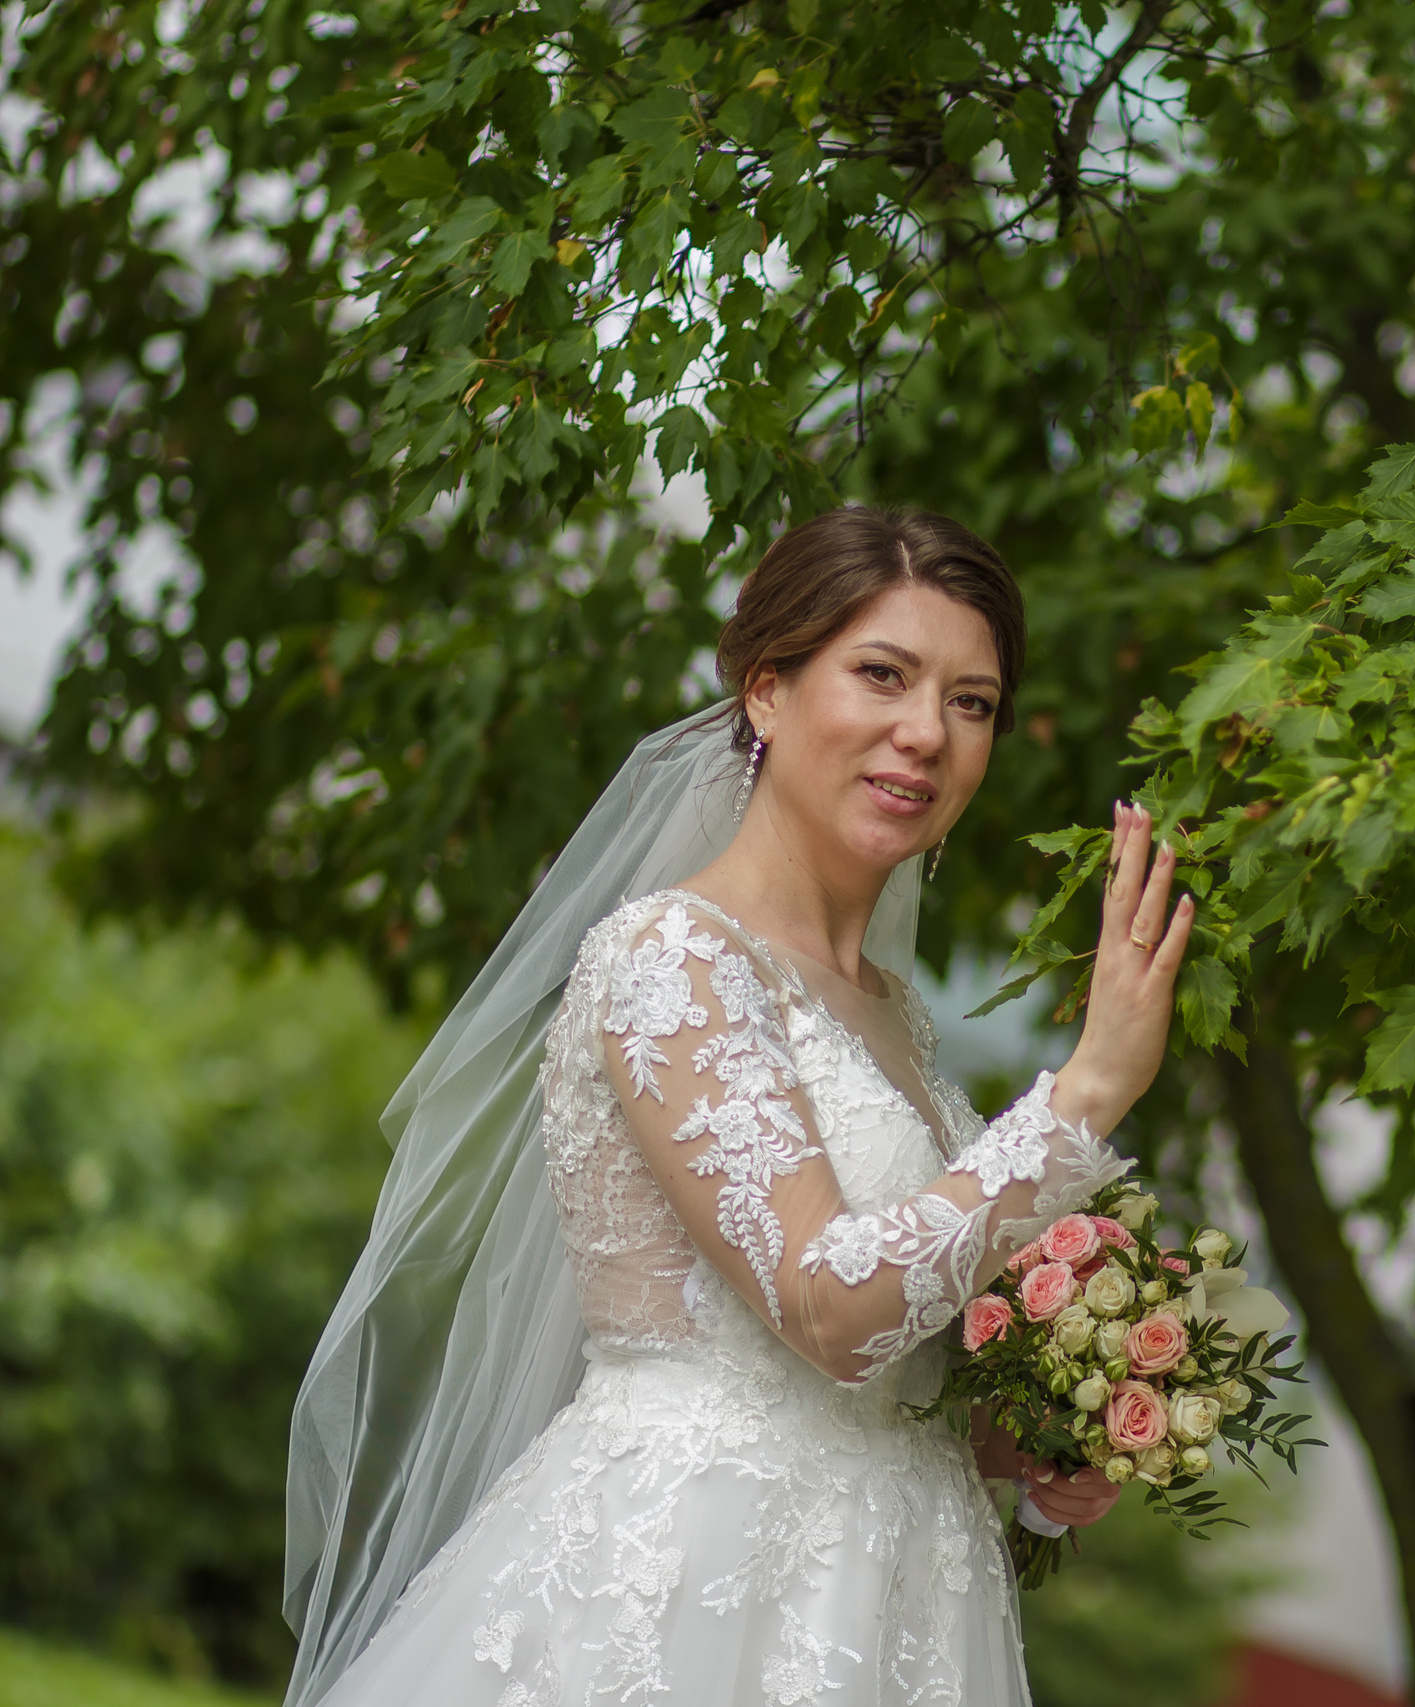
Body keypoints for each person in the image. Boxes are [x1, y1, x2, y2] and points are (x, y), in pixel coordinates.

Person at [281, 505, 1195, 1706]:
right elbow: (823, 1304)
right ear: (766, 691)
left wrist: (1022, 1442)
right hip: (689, 1585)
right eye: (883, 675)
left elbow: (888, 1369)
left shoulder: (897, 1019)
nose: (925, 733)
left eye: (971, 703)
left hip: (900, 1598)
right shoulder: (672, 959)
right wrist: (1085, 1094)